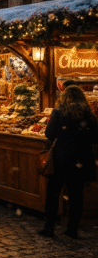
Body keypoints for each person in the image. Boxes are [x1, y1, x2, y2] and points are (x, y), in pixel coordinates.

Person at [39, 86, 98, 239]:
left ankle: (49, 227)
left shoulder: (59, 112)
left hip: (61, 157)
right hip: (80, 158)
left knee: (53, 193)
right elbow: (95, 137)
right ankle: (72, 228)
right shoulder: (88, 114)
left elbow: (49, 133)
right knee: (76, 194)